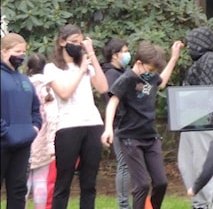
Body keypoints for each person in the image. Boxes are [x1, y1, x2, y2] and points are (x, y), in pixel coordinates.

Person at [101, 39, 183, 209]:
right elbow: (113, 102)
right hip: (130, 138)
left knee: (161, 183)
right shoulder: (127, 78)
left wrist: (174, 58)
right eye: (150, 69)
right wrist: (108, 128)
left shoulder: (150, 77)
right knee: (142, 185)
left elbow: (162, 82)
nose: (152, 74)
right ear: (139, 63)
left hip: (150, 137)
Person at [44, 24, 108, 209]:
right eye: (73, 42)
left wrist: (92, 56)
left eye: (80, 43)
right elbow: (64, 93)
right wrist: (81, 71)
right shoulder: (52, 68)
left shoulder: (87, 64)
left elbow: (103, 88)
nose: (77, 46)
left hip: (93, 124)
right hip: (68, 127)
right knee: (63, 182)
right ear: (62, 42)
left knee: (89, 183)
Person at [178, 27, 213, 209]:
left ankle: (211, 204)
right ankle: (199, 203)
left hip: (202, 119)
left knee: (203, 164)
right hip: (190, 118)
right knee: (186, 162)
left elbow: (207, 91)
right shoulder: (200, 61)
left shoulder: (209, 59)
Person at [1, 32, 42, 209]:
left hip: (23, 145)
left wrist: (34, 128)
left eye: (23, 52)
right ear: (4, 51)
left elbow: (35, 108)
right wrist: (6, 133)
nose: (21, 56)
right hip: (2, 144)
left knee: (18, 191)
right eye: (17, 51)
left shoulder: (25, 80)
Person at [102, 38, 132, 209]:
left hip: (127, 125)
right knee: (124, 164)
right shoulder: (112, 75)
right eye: (125, 51)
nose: (128, 54)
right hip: (121, 126)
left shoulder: (121, 72)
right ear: (115, 55)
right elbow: (116, 102)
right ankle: (123, 204)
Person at [26, 53, 58, 209]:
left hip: (24, 140)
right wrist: (51, 143)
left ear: (28, 68)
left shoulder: (24, 85)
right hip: (43, 142)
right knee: (40, 183)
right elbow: (52, 117)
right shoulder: (48, 87)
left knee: (22, 184)